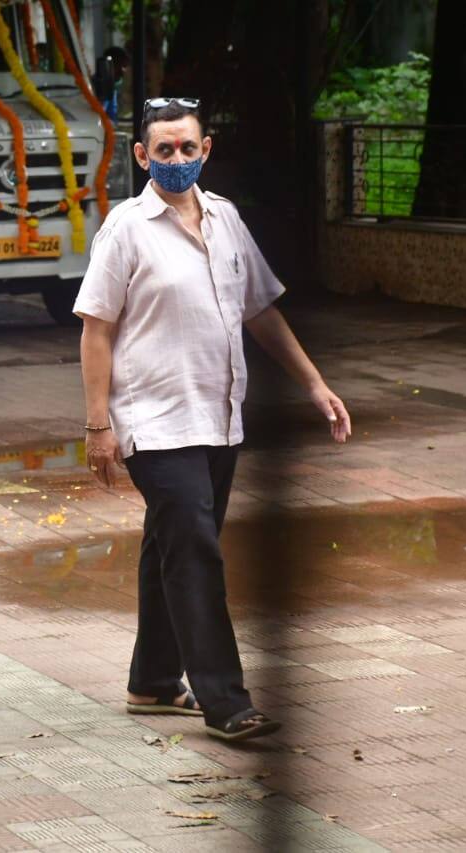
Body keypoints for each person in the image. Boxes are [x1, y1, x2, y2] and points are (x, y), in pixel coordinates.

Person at [74, 97, 352, 742]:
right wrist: (98, 425)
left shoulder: (226, 219)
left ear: (206, 149)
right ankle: (226, 699)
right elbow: (96, 328)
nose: (176, 159)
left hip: (219, 415)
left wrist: (314, 385)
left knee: (172, 546)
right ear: (142, 156)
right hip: (154, 417)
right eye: (163, 150)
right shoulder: (126, 227)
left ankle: (151, 681)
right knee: (196, 551)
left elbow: (261, 310)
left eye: (187, 148)